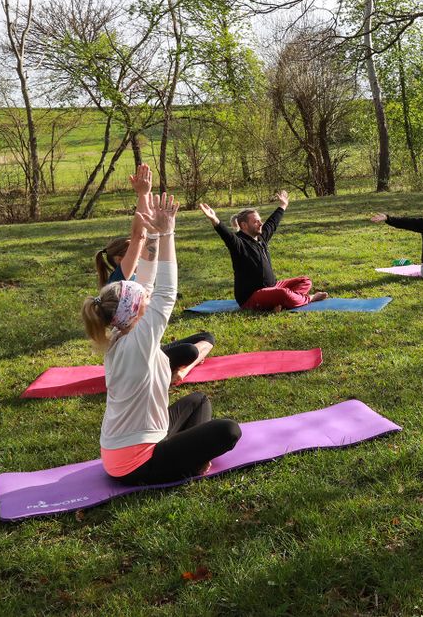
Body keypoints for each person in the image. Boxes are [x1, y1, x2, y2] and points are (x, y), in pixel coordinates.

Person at [81, 193, 241, 486]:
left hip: (127, 448)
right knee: (229, 431)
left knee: (198, 401)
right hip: (135, 465)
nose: (147, 297)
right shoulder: (139, 339)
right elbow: (166, 291)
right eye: (143, 300)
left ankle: (189, 457)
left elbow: (146, 282)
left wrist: (153, 235)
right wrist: (167, 232)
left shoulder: (120, 328)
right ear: (136, 311)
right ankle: (191, 464)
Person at [96, 164, 214, 383]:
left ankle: (180, 369)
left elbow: (147, 280)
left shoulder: (120, 315)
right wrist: (146, 199)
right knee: (190, 351)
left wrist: (154, 230)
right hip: (143, 351)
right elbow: (164, 289)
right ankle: (181, 370)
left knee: (205, 338)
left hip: (142, 348)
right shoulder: (122, 280)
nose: (139, 252)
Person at [199, 190, 328, 311]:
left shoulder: (260, 238)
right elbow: (227, 236)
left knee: (305, 281)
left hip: (272, 287)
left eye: (260, 221)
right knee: (282, 293)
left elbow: (272, 223)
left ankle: (280, 302)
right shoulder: (239, 243)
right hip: (252, 296)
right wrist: (214, 220)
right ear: (244, 225)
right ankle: (309, 298)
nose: (261, 224)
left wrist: (283, 205)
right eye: (256, 222)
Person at [95, 164, 155, 285]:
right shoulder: (119, 280)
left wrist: (146, 196)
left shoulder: (134, 277)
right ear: (120, 259)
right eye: (137, 253)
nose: (141, 253)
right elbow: (138, 237)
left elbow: (145, 236)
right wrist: (143, 194)